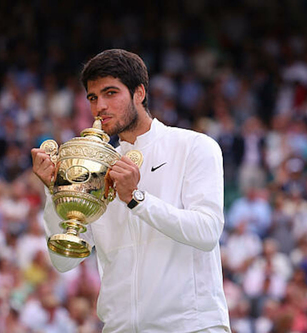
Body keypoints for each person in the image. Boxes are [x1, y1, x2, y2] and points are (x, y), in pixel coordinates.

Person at [31, 49, 230, 332]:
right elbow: (63, 261)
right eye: (93, 97)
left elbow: (207, 231)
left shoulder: (194, 147)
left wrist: (136, 199)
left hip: (190, 326)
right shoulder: (94, 166)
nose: (100, 106)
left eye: (111, 93)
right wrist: (54, 192)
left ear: (139, 93)